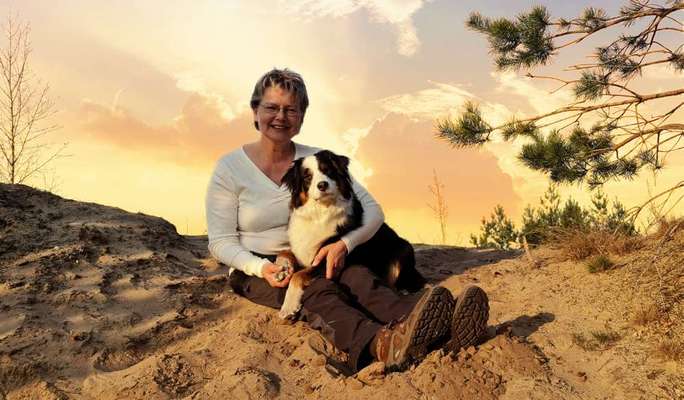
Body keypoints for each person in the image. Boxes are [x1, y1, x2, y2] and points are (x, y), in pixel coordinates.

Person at [205, 68, 488, 373]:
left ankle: (426, 320)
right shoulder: (230, 167)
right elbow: (220, 243)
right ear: (255, 111)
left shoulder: (320, 159)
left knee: (359, 278)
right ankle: (380, 344)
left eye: (291, 109)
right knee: (318, 294)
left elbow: (373, 211)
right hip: (259, 267)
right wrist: (262, 267)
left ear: (301, 116)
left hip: (317, 254)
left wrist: (344, 243)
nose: (281, 117)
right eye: (272, 107)